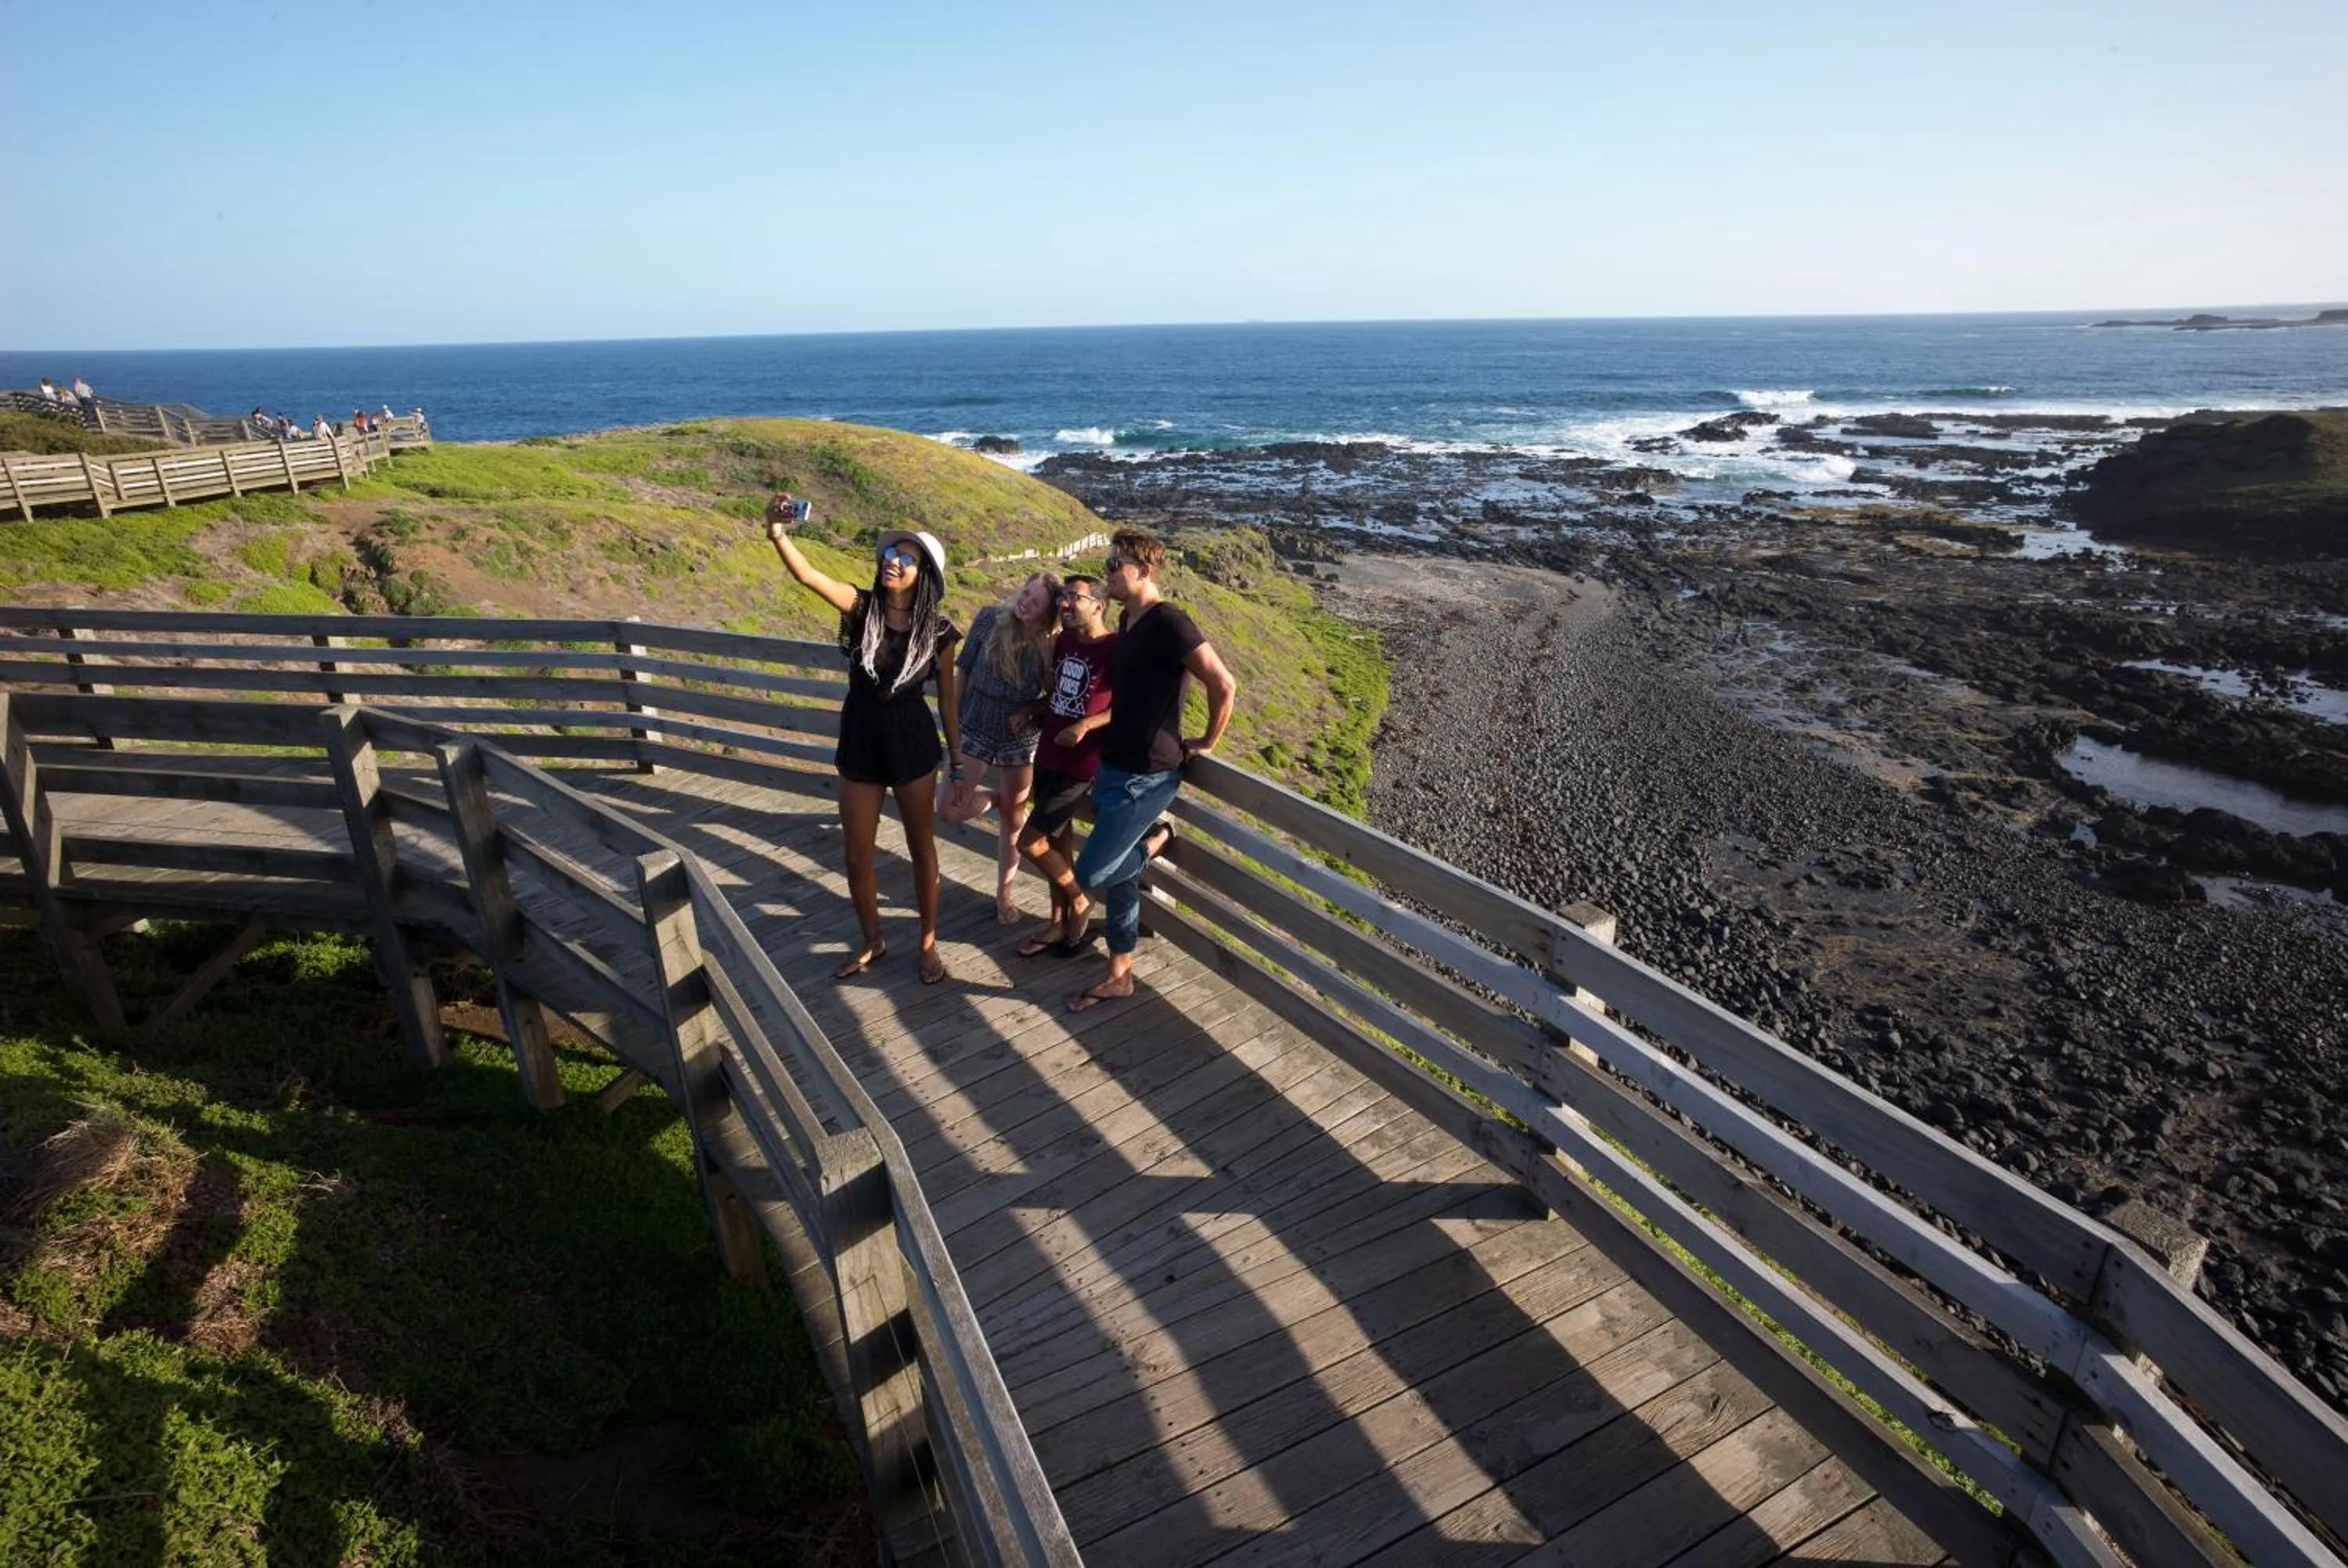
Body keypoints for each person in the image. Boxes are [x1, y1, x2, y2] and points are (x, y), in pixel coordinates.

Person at [765, 494, 962, 984]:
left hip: (913, 741)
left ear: (924, 576)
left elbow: (950, 701)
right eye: (891, 554)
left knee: (922, 846)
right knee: (857, 853)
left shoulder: (939, 631)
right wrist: (776, 531)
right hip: (862, 737)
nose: (894, 561)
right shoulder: (861, 606)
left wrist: (957, 759)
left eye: (907, 557)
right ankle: (872, 939)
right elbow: (808, 576)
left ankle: (928, 942)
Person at [1067, 530, 1237, 1012]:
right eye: (1107, 561)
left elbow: (1223, 683)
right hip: (1115, 766)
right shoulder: (1128, 619)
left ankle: (1154, 840)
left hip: (1151, 773)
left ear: (1143, 571)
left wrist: (1207, 741)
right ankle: (1120, 974)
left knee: (1092, 869)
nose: (1107, 571)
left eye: (1113, 563)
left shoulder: (1169, 622)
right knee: (1120, 884)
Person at [949, 570, 1063, 925]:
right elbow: (963, 670)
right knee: (950, 808)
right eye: (1026, 593)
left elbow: (1051, 694)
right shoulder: (988, 618)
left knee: (1014, 822)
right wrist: (953, 721)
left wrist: (1046, 658)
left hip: (1020, 732)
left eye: (1036, 602)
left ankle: (1005, 894)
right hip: (977, 720)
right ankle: (1000, 800)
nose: (1026, 604)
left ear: (1048, 612)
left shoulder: (1051, 641)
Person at [1014, 574, 1116, 958]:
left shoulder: (1114, 649)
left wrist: (1085, 726)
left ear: (1099, 605)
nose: (1066, 605)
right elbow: (1058, 695)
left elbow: (1125, 707)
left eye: (1075, 598)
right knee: (1057, 843)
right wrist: (1030, 710)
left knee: (1029, 842)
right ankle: (1058, 923)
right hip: (1049, 753)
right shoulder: (1066, 642)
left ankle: (1079, 901)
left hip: (1081, 763)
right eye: (1064, 598)